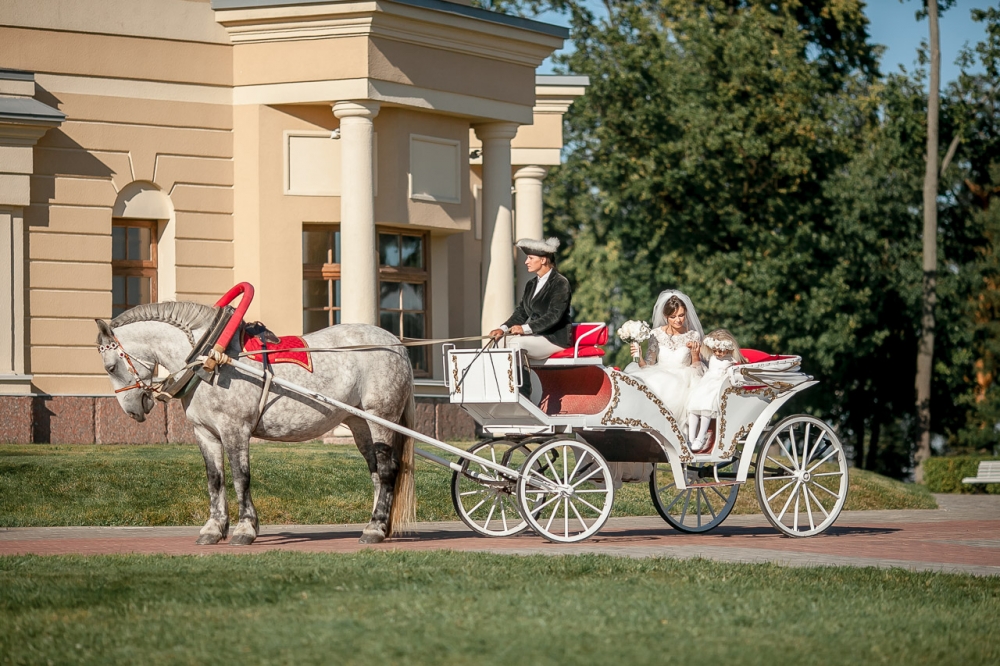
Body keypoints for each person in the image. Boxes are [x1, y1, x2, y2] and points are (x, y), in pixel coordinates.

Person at [626, 291, 705, 424]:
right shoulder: (656, 334)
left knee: (675, 392)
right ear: (665, 316)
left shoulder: (693, 335)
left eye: (681, 315)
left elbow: (697, 368)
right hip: (659, 377)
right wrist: (639, 357)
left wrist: (695, 355)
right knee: (648, 387)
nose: (678, 320)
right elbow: (647, 367)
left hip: (683, 381)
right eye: (673, 316)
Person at [488, 237, 573, 360]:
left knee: (516, 344)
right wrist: (503, 329)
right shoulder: (531, 284)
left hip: (554, 339)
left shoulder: (560, 283)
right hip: (535, 336)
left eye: (531, 258)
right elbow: (521, 312)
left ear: (543, 260)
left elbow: (554, 316)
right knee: (498, 343)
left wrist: (524, 329)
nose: (526, 262)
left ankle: (522, 379)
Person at [686, 329, 746, 452]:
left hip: (718, 386)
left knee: (706, 409)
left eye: (720, 350)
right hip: (706, 383)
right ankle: (691, 438)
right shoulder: (712, 357)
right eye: (715, 350)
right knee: (693, 407)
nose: (717, 353)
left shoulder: (731, 360)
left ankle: (700, 436)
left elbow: (739, 368)